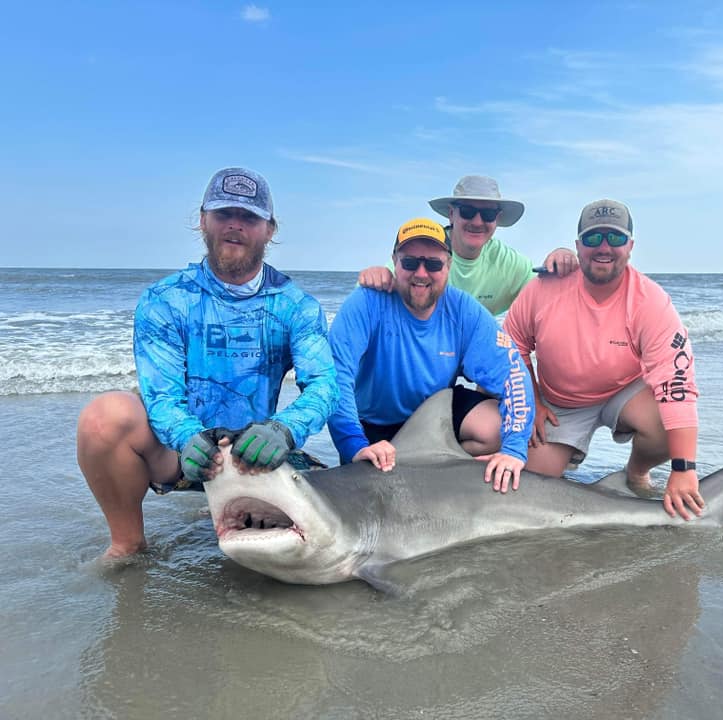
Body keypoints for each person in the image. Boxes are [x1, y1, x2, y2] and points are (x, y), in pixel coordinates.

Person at [76, 167, 340, 558]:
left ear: (269, 229)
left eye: (249, 217)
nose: (235, 226)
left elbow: (323, 386)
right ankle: (127, 544)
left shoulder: (296, 306)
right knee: (104, 417)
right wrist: (185, 437)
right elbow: (161, 396)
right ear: (203, 220)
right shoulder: (165, 300)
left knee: (341, 517)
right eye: (223, 214)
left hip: (257, 454)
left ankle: (226, 502)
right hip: (181, 453)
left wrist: (284, 430)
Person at [503, 199, 704, 520]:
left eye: (616, 238)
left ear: (631, 246)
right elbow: (513, 345)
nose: (604, 248)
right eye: (594, 239)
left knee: (664, 426)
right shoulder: (543, 288)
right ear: (579, 246)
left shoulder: (650, 301)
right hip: (560, 404)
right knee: (530, 487)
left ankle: (636, 472)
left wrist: (684, 469)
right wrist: (533, 400)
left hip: (623, 393)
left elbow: (676, 385)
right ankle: (568, 451)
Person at [328, 217, 534, 492]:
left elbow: (513, 376)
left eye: (434, 264)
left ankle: (444, 476)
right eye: (410, 263)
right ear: (394, 261)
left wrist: (514, 449)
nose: (421, 273)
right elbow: (334, 377)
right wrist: (353, 443)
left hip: (433, 419)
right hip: (372, 424)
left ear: (448, 266)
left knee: (495, 427)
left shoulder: (462, 310)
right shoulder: (365, 303)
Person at [358, 175, 579, 315]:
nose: (477, 221)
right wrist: (378, 276)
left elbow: (547, 298)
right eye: (468, 212)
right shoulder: (425, 249)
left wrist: (563, 256)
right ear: (451, 214)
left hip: (473, 352)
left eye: (488, 214)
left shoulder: (509, 263)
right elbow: (384, 281)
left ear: (498, 219)